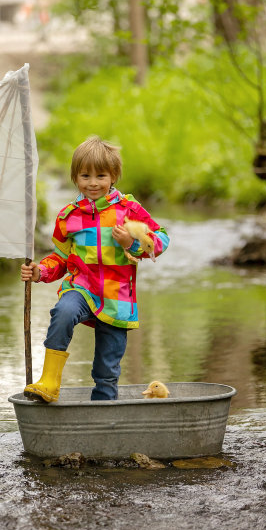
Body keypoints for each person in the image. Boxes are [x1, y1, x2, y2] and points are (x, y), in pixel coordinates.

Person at [21, 136, 170, 403]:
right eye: (85, 175)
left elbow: (161, 241)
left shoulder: (129, 210)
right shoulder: (69, 216)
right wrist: (39, 272)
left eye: (100, 175)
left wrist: (131, 243)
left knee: (107, 367)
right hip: (81, 287)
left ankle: (103, 411)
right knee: (63, 311)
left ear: (113, 176)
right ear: (75, 177)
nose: (92, 183)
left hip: (117, 296)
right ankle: (49, 382)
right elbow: (61, 258)